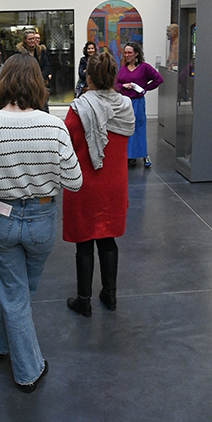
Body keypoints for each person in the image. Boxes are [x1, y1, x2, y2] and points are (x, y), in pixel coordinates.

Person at [0, 53, 83, 393]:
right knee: (21, 292)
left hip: (1, 219)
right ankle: (11, 354)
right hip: (43, 220)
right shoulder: (54, 126)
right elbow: (74, 181)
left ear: (2, 84)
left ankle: (15, 358)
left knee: (16, 294)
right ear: (39, 84)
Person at [63, 52, 135, 316]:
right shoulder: (125, 106)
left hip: (86, 182)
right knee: (107, 239)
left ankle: (84, 300)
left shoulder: (79, 109)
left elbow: (68, 143)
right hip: (114, 183)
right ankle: (110, 295)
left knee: (84, 240)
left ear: (88, 76)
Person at [115, 41, 163, 167]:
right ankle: (129, 155)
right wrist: (123, 86)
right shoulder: (123, 69)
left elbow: (159, 79)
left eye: (129, 52)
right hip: (125, 103)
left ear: (136, 53)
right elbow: (116, 84)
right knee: (126, 128)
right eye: (125, 52)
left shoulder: (144, 67)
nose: (127, 55)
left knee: (139, 128)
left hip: (138, 102)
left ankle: (144, 154)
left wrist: (146, 88)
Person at [17, 29, 53, 110]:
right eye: (30, 39)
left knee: (43, 107)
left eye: (33, 38)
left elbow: (47, 66)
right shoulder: (20, 53)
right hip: (26, 86)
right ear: (25, 40)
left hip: (41, 84)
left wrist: (41, 78)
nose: (33, 41)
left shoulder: (41, 51)